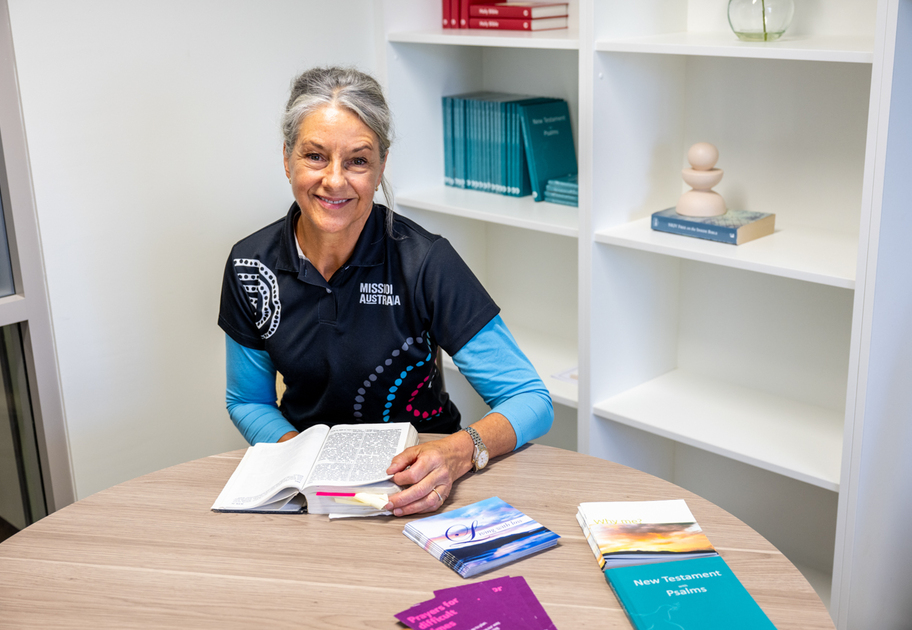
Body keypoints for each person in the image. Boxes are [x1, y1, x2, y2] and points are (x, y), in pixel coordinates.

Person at [218, 66, 552, 516]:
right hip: (307, 490)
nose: (335, 180)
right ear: (286, 158)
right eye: (315, 156)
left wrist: (456, 454)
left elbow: (530, 398)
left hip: (424, 482)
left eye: (357, 160)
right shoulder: (250, 265)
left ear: (381, 167)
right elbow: (247, 400)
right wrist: (299, 460)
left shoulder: (427, 262)